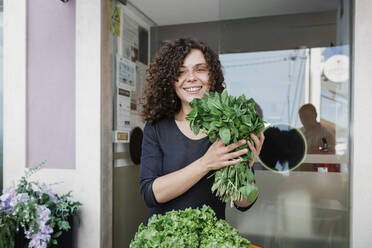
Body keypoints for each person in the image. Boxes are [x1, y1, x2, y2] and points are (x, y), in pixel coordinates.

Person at [140, 38, 265, 224]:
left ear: (212, 75)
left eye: (200, 69)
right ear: (169, 80)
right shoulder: (156, 127)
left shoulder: (229, 127)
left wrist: (244, 169)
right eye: (180, 72)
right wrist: (206, 163)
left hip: (211, 238)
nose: (191, 78)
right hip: (164, 238)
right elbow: (150, 194)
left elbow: (244, 203)